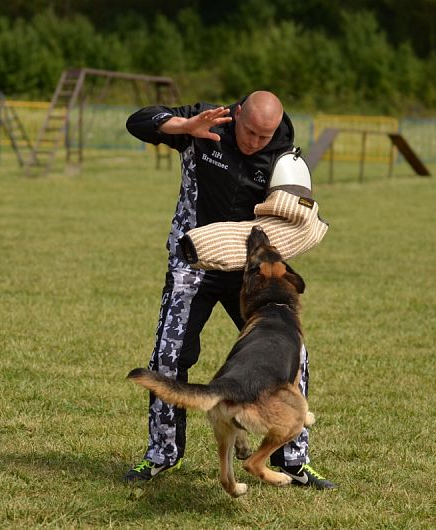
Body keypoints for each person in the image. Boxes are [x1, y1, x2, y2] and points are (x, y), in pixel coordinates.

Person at [123, 91, 334, 489]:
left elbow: (293, 215)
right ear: (236, 115)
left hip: (249, 276)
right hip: (193, 263)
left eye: (265, 136)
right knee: (169, 356)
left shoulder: (283, 156)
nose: (255, 142)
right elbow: (139, 120)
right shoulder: (208, 121)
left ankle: (293, 460)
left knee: (295, 358)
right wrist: (185, 128)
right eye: (250, 132)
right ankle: (162, 454)